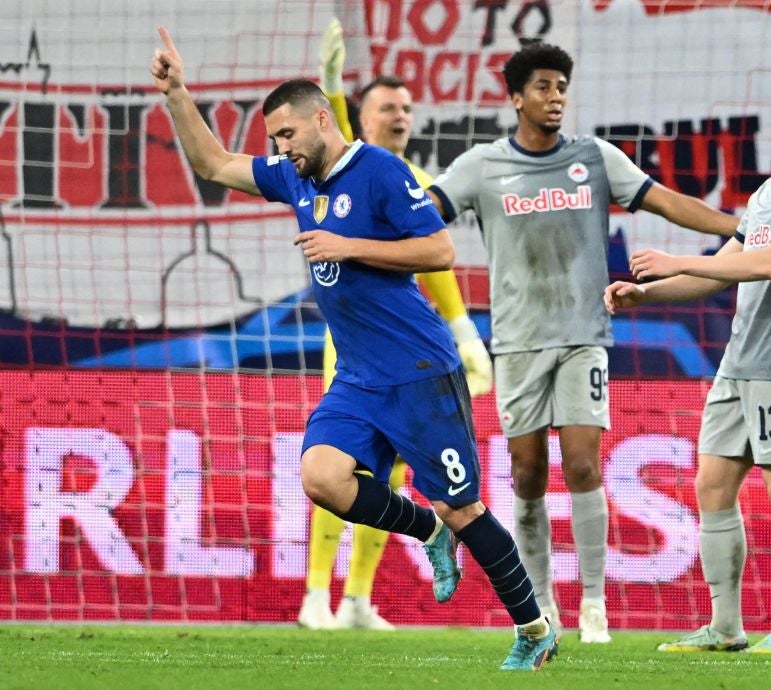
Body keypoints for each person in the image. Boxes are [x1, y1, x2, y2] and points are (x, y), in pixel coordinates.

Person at [150, 27, 556, 671]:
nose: (280, 151)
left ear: (320, 119)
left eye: (287, 136)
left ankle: (533, 628)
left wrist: (348, 247)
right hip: (361, 376)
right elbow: (214, 164)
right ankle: (425, 533)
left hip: (420, 370)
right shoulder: (296, 179)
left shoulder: (384, 173)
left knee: (463, 506)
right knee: (322, 476)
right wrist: (177, 93)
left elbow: (440, 251)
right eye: (274, 142)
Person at [426, 42, 737, 644]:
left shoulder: (593, 158)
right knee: (525, 472)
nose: (555, 97)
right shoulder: (482, 166)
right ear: (516, 98)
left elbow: (664, 200)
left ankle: (594, 602)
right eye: (543, 87)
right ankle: (542, 602)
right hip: (517, 342)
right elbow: (426, 212)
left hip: (583, 336)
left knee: (583, 463)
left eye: (562, 87)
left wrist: (734, 225)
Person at [605, 73, 771, 655]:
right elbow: (727, 262)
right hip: (737, 366)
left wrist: (672, 256)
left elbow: (770, 265)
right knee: (711, 484)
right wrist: (648, 293)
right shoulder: (767, 193)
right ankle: (726, 626)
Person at [297, 19, 493, 632]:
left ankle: (357, 598)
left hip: (406, 350)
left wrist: (464, 331)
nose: (402, 115)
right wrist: (330, 83)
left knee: (399, 471)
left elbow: (433, 268)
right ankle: (315, 595)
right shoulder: (350, 167)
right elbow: (329, 126)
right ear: (361, 115)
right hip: (354, 349)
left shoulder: (415, 183)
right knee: (342, 467)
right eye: (389, 106)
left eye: (408, 107)